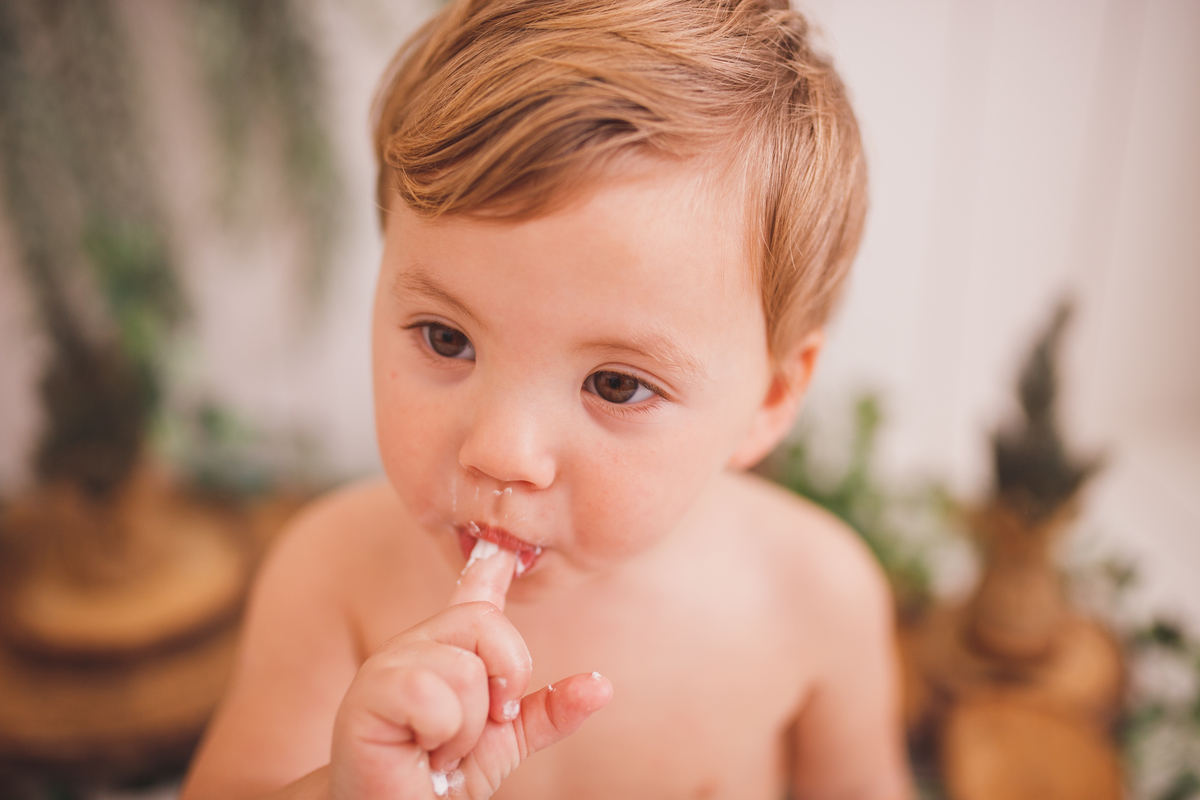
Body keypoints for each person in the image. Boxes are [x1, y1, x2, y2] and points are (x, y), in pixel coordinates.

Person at [181, 0, 910, 797]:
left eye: (616, 385)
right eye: (445, 337)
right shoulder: (333, 575)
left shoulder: (816, 597)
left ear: (771, 399)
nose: (501, 449)